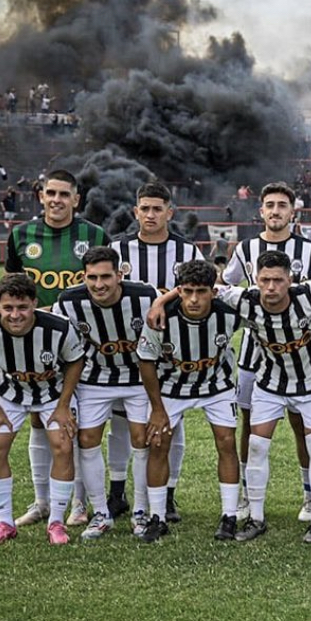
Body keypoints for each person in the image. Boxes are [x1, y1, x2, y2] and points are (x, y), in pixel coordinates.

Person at [213, 250, 311, 544]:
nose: (271, 287)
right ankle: (257, 517)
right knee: (257, 445)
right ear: (257, 280)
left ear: (290, 279)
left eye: (278, 280)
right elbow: (204, 289)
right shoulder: (243, 299)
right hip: (270, 384)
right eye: (265, 280)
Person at [1, 169, 109, 530]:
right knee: (36, 418)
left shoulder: (93, 235)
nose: (57, 200)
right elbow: (8, 289)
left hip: (81, 344)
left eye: (65, 194)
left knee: (71, 422)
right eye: (51, 193)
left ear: (76, 199)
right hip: (29, 343)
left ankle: (78, 503)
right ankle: (42, 501)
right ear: (41, 196)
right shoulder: (21, 235)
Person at [223, 182, 311, 524]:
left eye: (283, 205)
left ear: (292, 212)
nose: (276, 210)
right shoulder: (246, 248)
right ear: (261, 211)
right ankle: (243, 495)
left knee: (302, 424)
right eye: (270, 205)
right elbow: (228, 285)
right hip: (257, 353)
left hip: (300, 352)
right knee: (250, 425)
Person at [0, 274, 85, 546]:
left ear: (34, 303)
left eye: (22, 307)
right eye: (8, 308)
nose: (15, 315)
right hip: (9, 393)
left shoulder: (59, 328)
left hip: (53, 393)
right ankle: (4, 523)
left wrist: (64, 405)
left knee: (63, 444)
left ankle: (56, 522)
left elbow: (75, 362)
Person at [109, 181, 204, 525]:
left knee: (171, 426)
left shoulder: (189, 252)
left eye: (157, 208)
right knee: (122, 424)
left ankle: (168, 494)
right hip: (125, 350)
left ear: (169, 212)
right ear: (136, 212)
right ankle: (117, 492)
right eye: (144, 208)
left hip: (171, 350)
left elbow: (203, 294)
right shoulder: (118, 249)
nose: (150, 214)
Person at [53, 247, 159, 538]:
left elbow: (168, 302)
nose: (99, 284)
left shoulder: (144, 295)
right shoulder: (68, 301)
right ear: (83, 276)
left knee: (141, 439)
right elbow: (58, 338)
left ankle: (140, 511)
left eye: (106, 277)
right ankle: (100, 513)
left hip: (137, 378)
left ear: (120, 274)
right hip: (93, 379)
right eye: (92, 277)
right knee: (87, 440)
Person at [137, 260, 243, 543]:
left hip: (216, 385)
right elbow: (146, 363)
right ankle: (157, 516)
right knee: (158, 443)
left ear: (213, 291)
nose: (194, 299)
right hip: (171, 387)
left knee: (227, 442)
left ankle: (229, 515)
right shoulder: (160, 318)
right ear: (179, 291)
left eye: (201, 291)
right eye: (187, 291)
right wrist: (157, 410)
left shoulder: (229, 313)